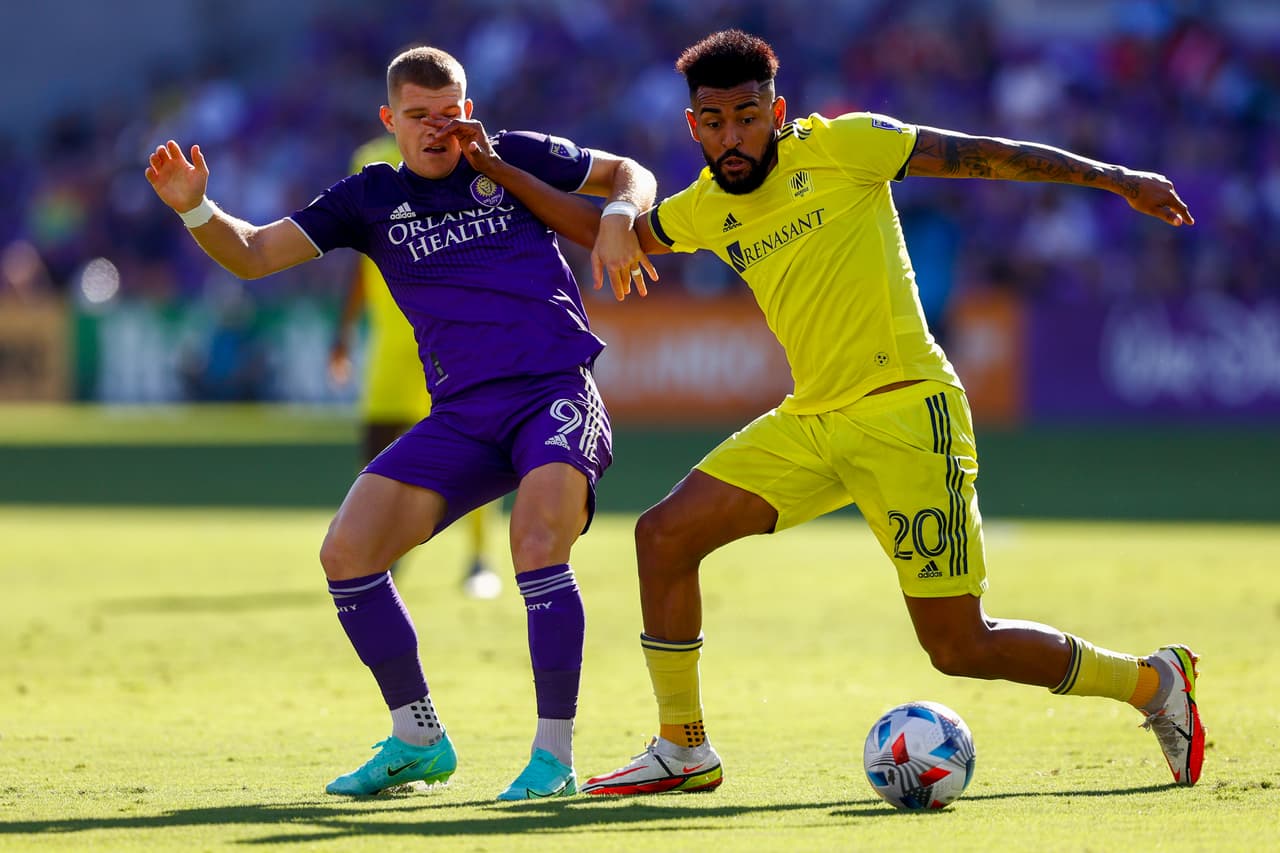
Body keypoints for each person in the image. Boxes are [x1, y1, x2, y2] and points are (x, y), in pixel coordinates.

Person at [478, 29, 1203, 795]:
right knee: (662, 536)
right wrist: (497, 168)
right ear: (693, 126)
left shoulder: (846, 145)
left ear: (776, 111)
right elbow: (599, 229)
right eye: (715, 121)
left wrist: (1119, 177)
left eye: (748, 117)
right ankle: (683, 747)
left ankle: (1154, 683)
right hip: (812, 420)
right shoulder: (706, 208)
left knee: (959, 645)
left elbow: (983, 153)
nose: (732, 136)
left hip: (905, 415)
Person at [144, 45, 656, 800]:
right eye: (420, 116)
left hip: (554, 392)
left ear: (468, 111)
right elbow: (252, 254)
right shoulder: (368, 197)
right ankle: (418, 736)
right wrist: (194, 207)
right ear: (391, 120)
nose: (438, 129)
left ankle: (553, 758)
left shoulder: (508, 156)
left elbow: (627, 173)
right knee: (347, 550)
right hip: (464, 415)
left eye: (451, 114)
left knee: (536, 537)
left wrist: (618, 216)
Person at [329, 133, 504, 599]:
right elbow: (360, 255)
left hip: (453, 338)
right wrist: (344, 332)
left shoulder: (469, 158)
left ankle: (479, 559)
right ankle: (384, 558)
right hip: (392, 341)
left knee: (476, 445)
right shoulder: (369, 160)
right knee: (377, 451)